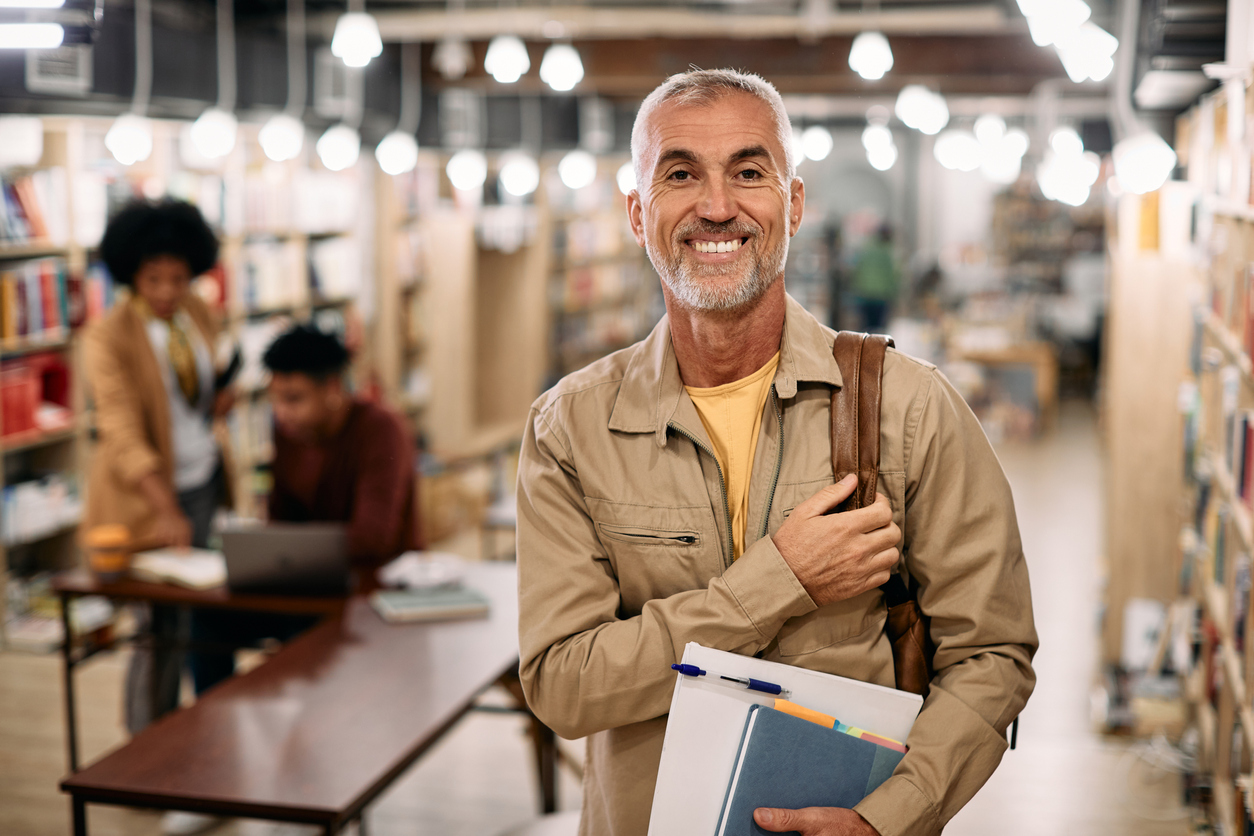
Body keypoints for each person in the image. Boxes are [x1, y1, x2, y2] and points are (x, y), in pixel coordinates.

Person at [516, 69, 1038, 836]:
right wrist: (778, 581)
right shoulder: (571, 427)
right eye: (681, 174)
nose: (717, 206)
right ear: (637, 212)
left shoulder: (909, 407)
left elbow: (992, 653)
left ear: (792, 204)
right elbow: (563, 686)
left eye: (750, 173)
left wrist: (886, 818)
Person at [189, 325, 421, 693]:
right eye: (275, 400)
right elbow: (282, 522)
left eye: (294, 399)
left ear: (332, 389)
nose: (281, 414)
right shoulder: (290, 433)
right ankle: (215, 724)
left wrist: (292, 546)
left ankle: (309, 733)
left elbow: (374, 537)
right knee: (206, 619)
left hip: (372, 592)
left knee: (305, 637)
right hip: (312, 584)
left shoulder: (381, 429)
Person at [84, 198, 235, 735]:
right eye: (154, 279)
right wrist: (164, 507)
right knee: (159, 629)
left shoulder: (197, 310)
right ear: (130, 274)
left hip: (206, 481)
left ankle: (210, 736)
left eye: (179, 277)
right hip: (150, 497)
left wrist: (221, 396)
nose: (169, 291)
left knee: (211, 617)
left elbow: (212, 373)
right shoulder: (108, 336)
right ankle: (148, 751)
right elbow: (120, 432)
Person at [851, 223, 900, 332]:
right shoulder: (889, 252)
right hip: (881, 297)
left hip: (865, 294)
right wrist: (895, 294)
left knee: (865, 328)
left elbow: (857, 269)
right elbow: (895, 276)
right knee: (878, 330)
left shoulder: (866, 248)